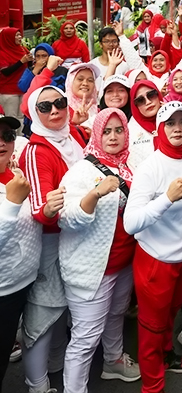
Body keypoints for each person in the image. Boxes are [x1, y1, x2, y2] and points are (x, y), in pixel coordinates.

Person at [58, 108, 141, 392]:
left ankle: (113, 360)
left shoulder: (132, 164)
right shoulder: (81, 171)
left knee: (117, 314)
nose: (114, 136)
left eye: (119, 130)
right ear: (97, 133)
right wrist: (95, 194)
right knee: (85, 337)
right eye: (106, 131)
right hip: (92, 269)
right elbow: (65, 219)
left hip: (124, 261)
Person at [124, 101, 182, 393]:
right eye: (171, 123)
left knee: (171, 313)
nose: (178, 129)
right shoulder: (150, 167)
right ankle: (152, 385)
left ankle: (166, 354)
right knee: (150, 326)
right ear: (160, 127)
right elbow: (131, 222)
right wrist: (166, 199)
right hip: (156, 261)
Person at [20, 86, 86, 393]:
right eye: (45, 107)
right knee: (44, 312)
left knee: (64, 310)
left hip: (78, 237)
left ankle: (56, 367)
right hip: (51, 242)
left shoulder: (75, 137)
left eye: (60, 102)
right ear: (35, 114)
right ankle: (38, 385)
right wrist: (48, 207)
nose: (55, 111)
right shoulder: (37, 150)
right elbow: (38, 208)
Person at [0, 112, 41, 390]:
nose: (2, 142)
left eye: (7, 135)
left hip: (25, 281)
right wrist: (12, 205)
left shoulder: (15, 173)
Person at [0, 28, 31, 119]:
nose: (20, 37)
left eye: (20, 35)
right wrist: (21, 62)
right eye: (16, 35)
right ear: (8, 38)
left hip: (22, 89)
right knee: (11, 118)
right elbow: (5, 72)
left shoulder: (23, 49)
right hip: (8, 91)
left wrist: (30, 60)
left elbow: (27, 67)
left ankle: (20, 134)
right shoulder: (2, 53)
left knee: (22, 117)